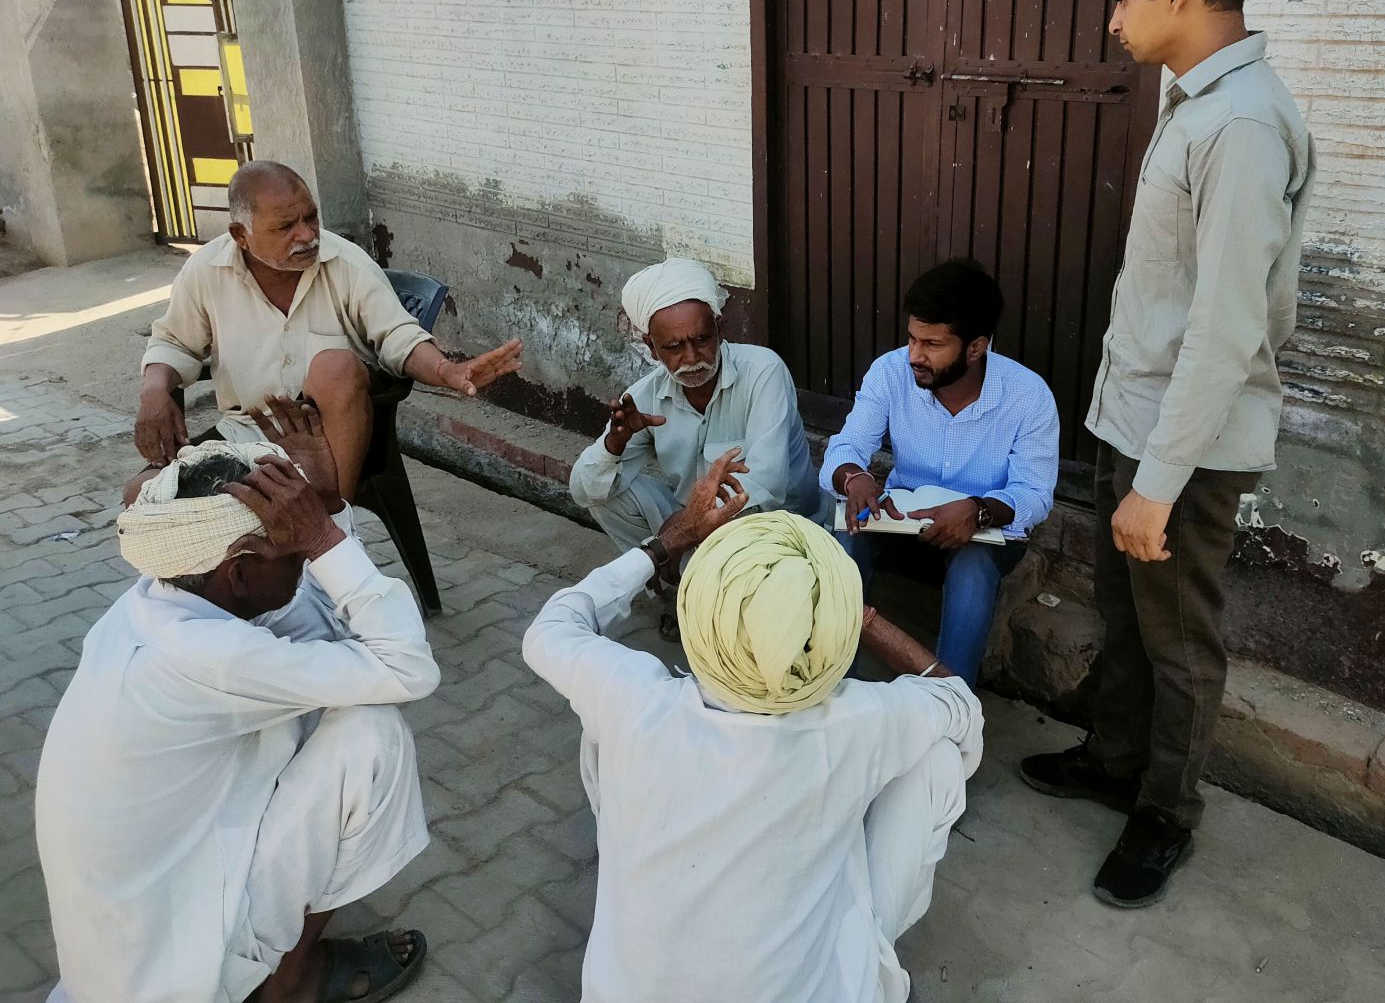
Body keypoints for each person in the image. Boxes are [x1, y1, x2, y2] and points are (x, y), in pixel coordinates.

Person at [1019, 0, 1315, 908]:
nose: (1112, 21)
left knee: (1179, 642)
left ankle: (1162, 815)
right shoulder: (1199, 105)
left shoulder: (1240, 124)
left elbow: (1228, 327)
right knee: (1124, 615)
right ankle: (1111, 761)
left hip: (1178, 452)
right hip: (1133, 427)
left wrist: (1157, 482)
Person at [524, 452, 981, 1003]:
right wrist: (858, 617)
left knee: (597, 724)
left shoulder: (635, 699)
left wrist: (674, 539)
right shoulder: (860, 722)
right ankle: (869, 945)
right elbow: (957, 700)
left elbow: (552, 627)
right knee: (934, 756)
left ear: (699, 613)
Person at [36, 400, 439, 1003]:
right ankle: (281, 985)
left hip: (128, 941)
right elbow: (406, 667)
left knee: (336, 694)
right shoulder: (205, 655)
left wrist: (324, 507)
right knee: (371, 739)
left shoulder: (171, 595)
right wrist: (325, 537)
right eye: (294, 553)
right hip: (166, 972)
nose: (306, 558)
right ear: (241, 572)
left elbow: (338, 643)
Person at [135, 159, 524, 500]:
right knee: (140, 495)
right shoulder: (206, 270)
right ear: (241, 235)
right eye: (286, 226)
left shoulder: (347, 265)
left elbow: (397, 335)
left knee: (335, 366)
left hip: (332, 447)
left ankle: (332, 527)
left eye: (310, 217)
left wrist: (446, 371)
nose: (306, 235)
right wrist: (155, 390)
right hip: (244, 437)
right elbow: (173, 341)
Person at [820, 259, 1060, 687]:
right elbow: (846, 446)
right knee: (843, 541)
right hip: (901, 522)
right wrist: (854, 477)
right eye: (912, 338)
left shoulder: (1028, 396)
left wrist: (978, 510)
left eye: (932, 344)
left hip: (985, 532)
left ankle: (948, 712)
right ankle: (833, 690)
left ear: (975, 347)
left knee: (972, 569)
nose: (915, 355)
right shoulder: (891, 372)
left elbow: (1035, 495)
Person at [569, 258, 822, 620]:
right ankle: (684, 590)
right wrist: (613, 446)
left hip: (774, 526)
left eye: (702, 339)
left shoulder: (763, 371)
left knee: (733, 532)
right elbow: (582, 491)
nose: (691, 358)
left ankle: (693, 588)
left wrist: (681, 533)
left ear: (719, 329)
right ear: (652, 348)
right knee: (606, 492)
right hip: (695, 524)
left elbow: (766, 485)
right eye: (673, 347)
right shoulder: (645, 397)